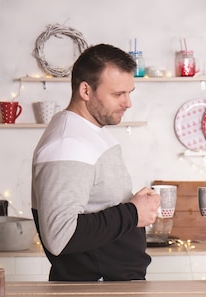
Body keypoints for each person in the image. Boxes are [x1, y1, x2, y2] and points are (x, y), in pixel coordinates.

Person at [31, 43, 160, 281]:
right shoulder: (67, 144)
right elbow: (61, 236)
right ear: (86, 91)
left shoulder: (88, 132)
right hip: (95, 293)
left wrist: (134, 206)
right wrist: (132, 212)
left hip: (111, 289)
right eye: (118, 94)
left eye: (129, 92)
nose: (128, 103)